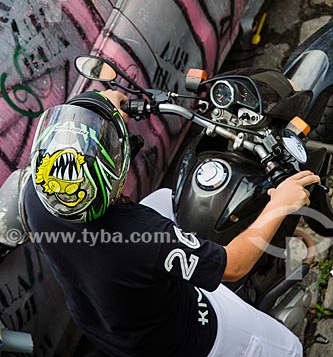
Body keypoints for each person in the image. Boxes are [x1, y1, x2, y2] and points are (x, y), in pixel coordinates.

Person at [23, 89, 319, 357]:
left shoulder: (35, 195)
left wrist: (99, 109)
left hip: (106, 328)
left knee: (165, 198)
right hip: (188, 340)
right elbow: (234, 266)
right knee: (288, 348)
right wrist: (279, 205)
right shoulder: (143, 236)